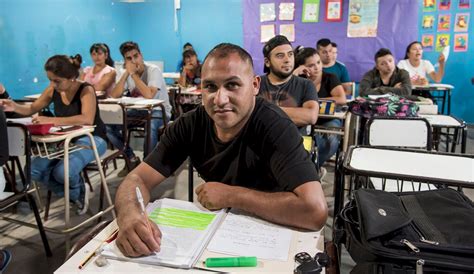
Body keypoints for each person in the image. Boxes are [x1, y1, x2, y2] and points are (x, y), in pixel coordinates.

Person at [114, 43, 328, 257]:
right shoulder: (189, 125)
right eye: (210, 87)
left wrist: (232, 196)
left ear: (255, 86)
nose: (219, 99)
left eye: (233, 85)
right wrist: (130, 214)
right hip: (216, 235)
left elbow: (314, 211)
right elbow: (136, 179)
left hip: (275, 235)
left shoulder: (275, 126)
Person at [0, 55, 107, 215]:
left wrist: (51, 120)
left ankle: (76, 191)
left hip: (93, 138)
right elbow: (31, 109)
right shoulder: (53, 89)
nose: (52, 84)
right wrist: (13, 106)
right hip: (65, 140)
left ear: (71, 78)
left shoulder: (86, 90)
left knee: (62, 172)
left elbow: (86, 119)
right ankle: (77, 193)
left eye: (57, 81)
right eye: (50, 80)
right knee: (33, 170)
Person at [109, 41, 172, 177]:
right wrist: (126, 74)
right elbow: (114, 95)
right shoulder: (126, 72)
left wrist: (134, 75)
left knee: (151, 124)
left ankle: (147, 166)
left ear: (141, 55)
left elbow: (149, 95)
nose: (134, 60)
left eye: (135, 56)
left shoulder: (153, 70)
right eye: (129, 58)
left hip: (160, 112)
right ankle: (131, 158)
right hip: (138, 112)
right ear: (125, 61)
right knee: (108, 125)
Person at [293, 46, 346, 173]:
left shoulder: (330, 77)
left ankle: (312, 170)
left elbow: (341, 98)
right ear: (302, 67)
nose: (316, 67)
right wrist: (294, 74)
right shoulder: (298, 80)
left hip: (327, 120)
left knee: (331, 140)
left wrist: (313, 101)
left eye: (318, 62)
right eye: (311, 65)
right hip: (305, 120)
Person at [259, 35, 319, 136]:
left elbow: (311, 116)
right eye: (280, 56)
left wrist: (263, 111)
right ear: (267, 62)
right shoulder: (256, 83)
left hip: (295, 145)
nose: (287, 60)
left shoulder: (306, 84)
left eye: (290, 54)